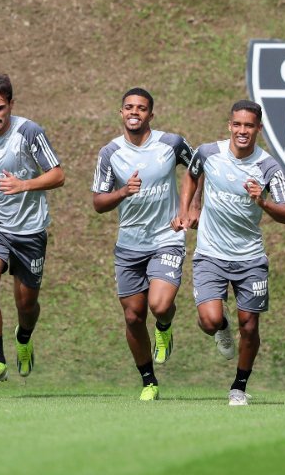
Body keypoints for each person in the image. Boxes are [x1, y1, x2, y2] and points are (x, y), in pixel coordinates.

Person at [178, 100, 285, 406]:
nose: (243, 131)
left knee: (250, 325)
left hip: (250, 258)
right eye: (237, 125)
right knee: (209, 319)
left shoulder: (268, 167)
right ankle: (221, 327)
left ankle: (239, 386)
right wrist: (188, 209)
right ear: (230, 125)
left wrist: (263, 202)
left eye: (249, 126)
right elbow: (191, 175)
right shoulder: (207, 153)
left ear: (259, 128)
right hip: (210, 253)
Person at [0, 73, 65, 386]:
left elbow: (58, 175)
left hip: (30, 231)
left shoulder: (29, 133)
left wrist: (24, 185)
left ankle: (24, 335)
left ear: (11, 105)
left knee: (26, 304)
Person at [92, 88, 194, 401]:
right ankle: (149, 380)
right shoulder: (110, 153)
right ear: (121, 113)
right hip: (129, 245)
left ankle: (164, 325)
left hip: (167, 238)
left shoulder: (171, 143)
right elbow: (98, 202)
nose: (134, 112)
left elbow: (198, 169)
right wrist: (122, 192)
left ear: (151, 114)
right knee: (133, 317)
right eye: (129, 107)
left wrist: (187, 209)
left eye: (141, 108)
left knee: (159, 305)